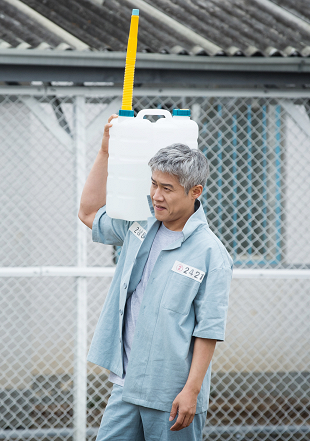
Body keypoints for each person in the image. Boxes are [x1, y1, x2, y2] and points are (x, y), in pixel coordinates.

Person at [78, 114, 233, 441]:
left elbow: (209, 329)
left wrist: (191, 391)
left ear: (195, 191)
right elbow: (89, 213)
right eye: (153, 184)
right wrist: (106, 151)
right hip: (125, 385)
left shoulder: (210, 253)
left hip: (172, 394)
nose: (156, 196)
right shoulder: (139, 225)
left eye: (167, 188)